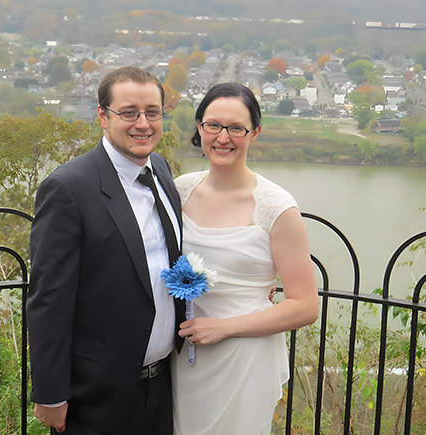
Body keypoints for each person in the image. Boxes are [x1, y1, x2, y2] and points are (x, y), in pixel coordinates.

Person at [27, 66, 185, 435]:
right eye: (128, 112)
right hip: (96, 393)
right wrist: (50, 395)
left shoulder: (160, 169)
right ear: (103, 116)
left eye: (152, 112)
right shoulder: (68, 188)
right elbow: (49, 298)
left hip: (162, 384)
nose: (142, 123)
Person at [170, 83, 319, 435]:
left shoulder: (276, 207)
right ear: (199, 127)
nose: (223, 137)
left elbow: (305, 306)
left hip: (246, 358)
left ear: (254, 132)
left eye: (236, 128)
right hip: (183, 357)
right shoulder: (178, 191)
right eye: (213, 125)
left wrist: (225, 327)